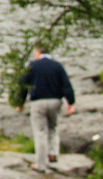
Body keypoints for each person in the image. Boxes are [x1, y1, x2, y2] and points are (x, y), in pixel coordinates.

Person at [17, 41, 76, 172]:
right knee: (53, 127)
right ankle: (53, 153)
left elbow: (24, 85)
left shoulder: (32, 66)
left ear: (38, 52)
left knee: (40, 132)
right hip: (55, 101)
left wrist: (20, 102)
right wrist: (70, 103)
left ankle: (40, 164)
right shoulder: (57, 66)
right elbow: (66, 85)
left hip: (38, 102)